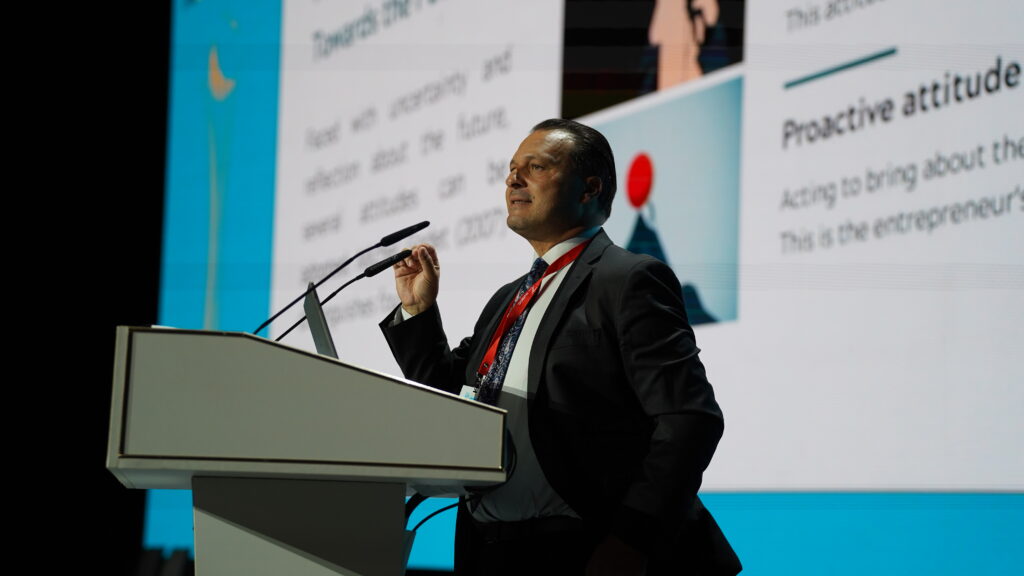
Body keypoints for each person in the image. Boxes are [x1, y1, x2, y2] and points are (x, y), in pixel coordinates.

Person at [380, 119, 740, 575]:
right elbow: (457, 398)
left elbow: (689, 419)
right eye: (511, 168)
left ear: (589, 189)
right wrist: (417, 311)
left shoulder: (627, 279)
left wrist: (631, 541)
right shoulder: (509, 298)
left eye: (536, 166)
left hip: (590, 550)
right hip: (494, 552)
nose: (513, 178)